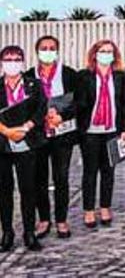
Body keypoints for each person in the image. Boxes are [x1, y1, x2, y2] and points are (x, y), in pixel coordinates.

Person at [26, 35, 79, 240]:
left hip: (62, 134)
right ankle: (44, 219)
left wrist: (61, 116)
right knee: (39, 178)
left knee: (61, 177)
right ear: (37, 51)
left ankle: (61, 220)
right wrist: (40, 118)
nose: (48, 51)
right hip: (38, 135)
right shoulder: (29, 76)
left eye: (51, 47)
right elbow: (24, 105)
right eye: (44, 48)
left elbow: (79, 103)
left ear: (57, 51)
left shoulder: (69, 75)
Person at [75, 39, 125, 229]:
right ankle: (89, 210)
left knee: (108, 171)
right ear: (94, 54)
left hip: (112, 131)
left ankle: (105, 207)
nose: (106, 54)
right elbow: (79, 104)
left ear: (114, 55)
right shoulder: (84, 76)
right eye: (102, 51)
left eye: (109, 51)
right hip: (90, 131)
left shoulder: (121, 77)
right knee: (90, 172)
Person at [0, 45, 46, 251]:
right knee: (4, 191)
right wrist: (7, 132)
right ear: (2, 63)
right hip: (2, 144)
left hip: (27, 143)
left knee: (28, 190)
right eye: (8, 59)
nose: (12, 62)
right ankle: (7, 232)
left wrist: (27, 127)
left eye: (16, 58)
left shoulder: (33, 85)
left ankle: (29, 233)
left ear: (23, 61)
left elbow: (41, 109)